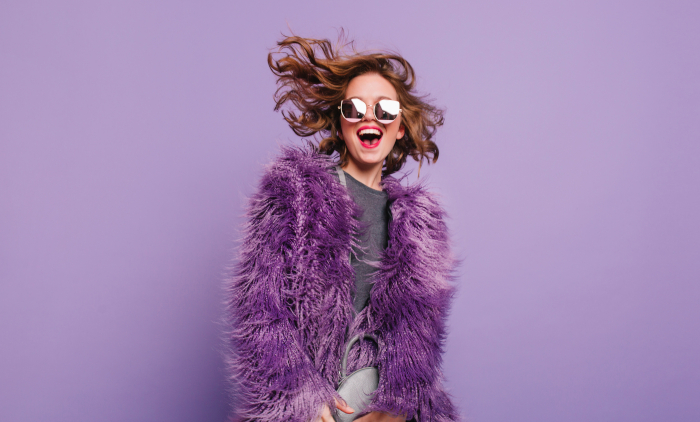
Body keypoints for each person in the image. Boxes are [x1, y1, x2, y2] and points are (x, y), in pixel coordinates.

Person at [225, 33, 458, 422]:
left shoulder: (424, 226)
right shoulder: (293, 192)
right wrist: (305, 400)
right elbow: (259, 311)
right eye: (355, 108)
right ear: (340, 122)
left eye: (385, 109)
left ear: (400, 126)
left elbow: (419, 343)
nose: (370, 117)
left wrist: (393, 410)